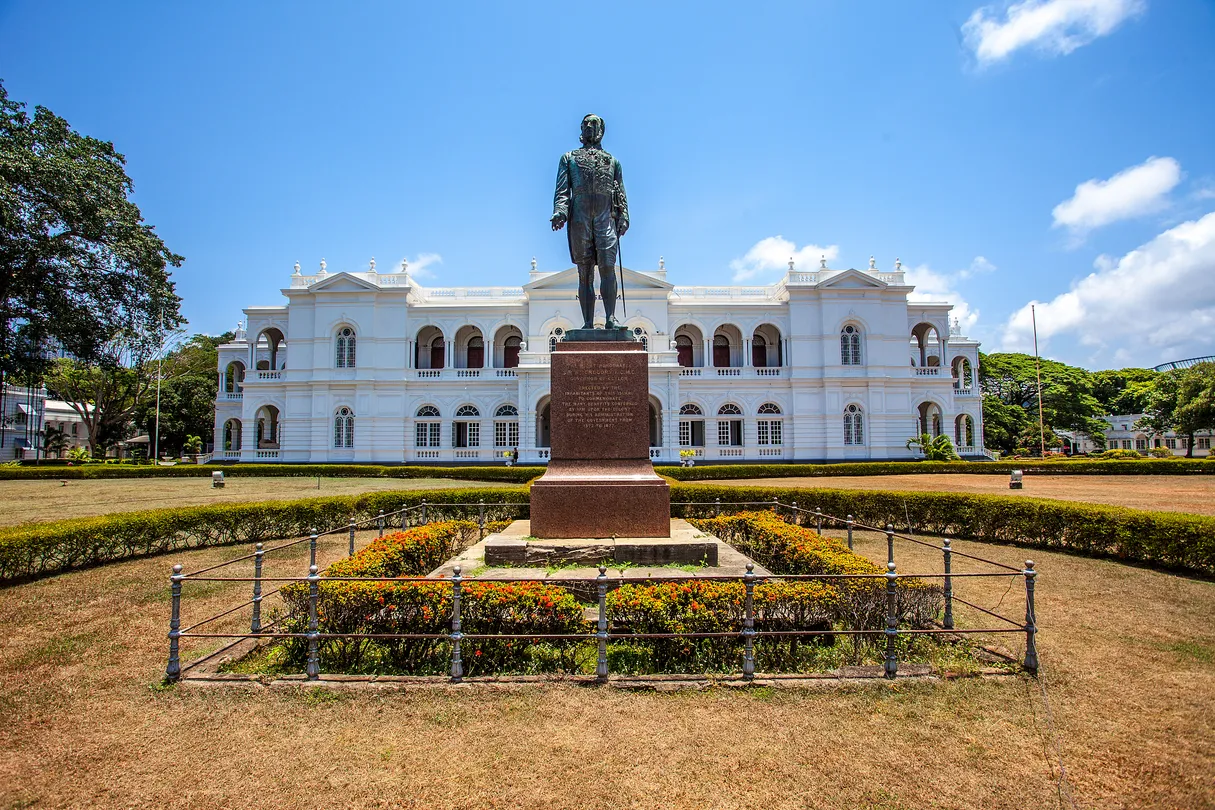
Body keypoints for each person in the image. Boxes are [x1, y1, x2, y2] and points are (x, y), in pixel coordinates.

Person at [550, 114, 629, 329]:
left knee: (608, 267)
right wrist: (560, 212)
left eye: (594, 124)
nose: (589, 126)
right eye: (585, 124)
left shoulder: (613, 161)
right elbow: (562, 191)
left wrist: (624, 215)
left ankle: (610, 318)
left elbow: (621, 192)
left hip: (606, 218)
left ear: (601, 130)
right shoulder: (569, 158)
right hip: (580, 218)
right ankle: (587, 323)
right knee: (584, 273)